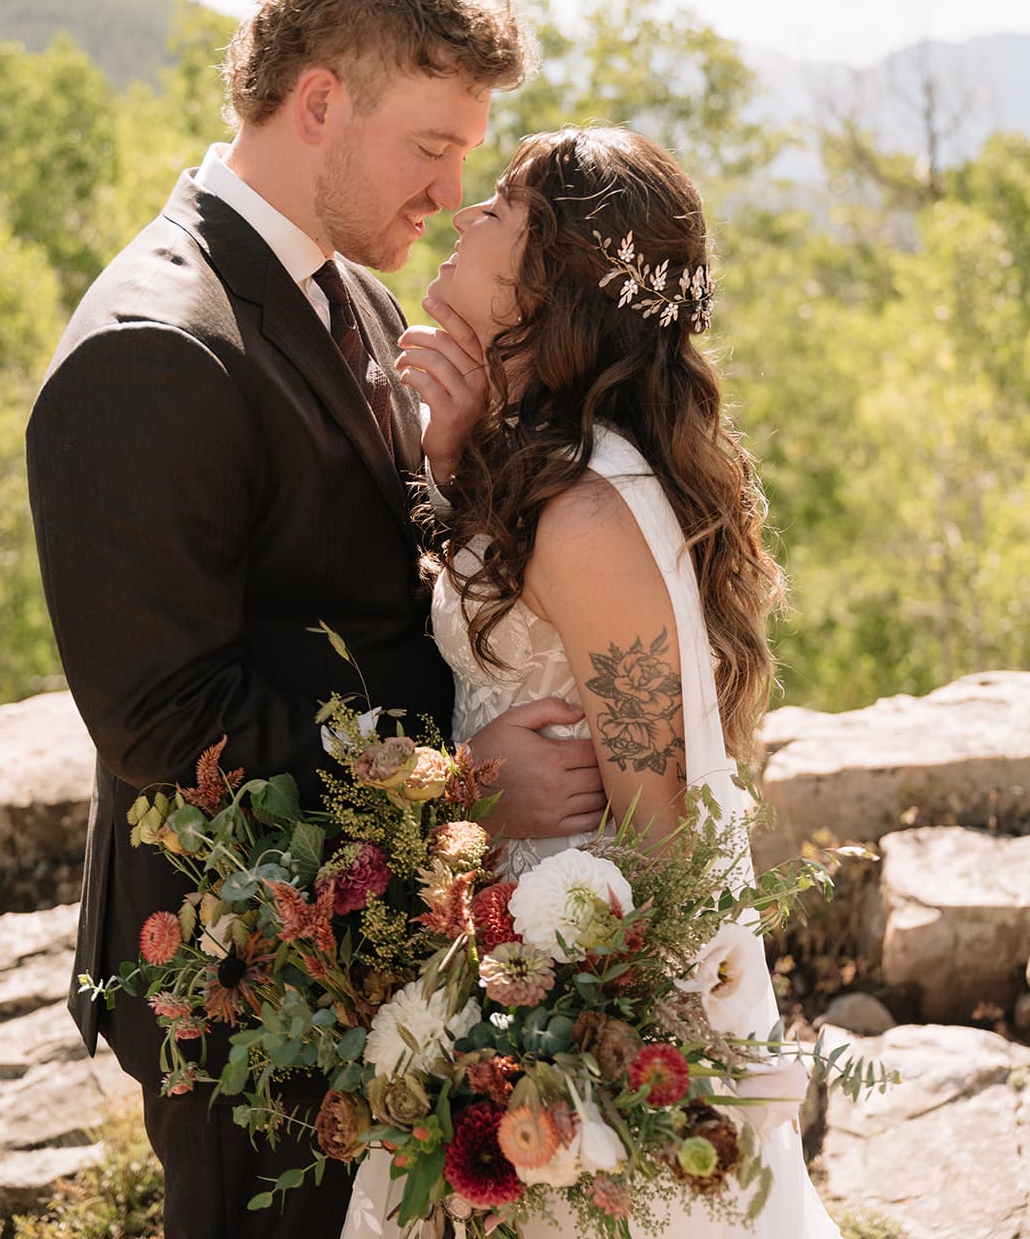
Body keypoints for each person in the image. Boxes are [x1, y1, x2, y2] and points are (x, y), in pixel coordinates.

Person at [25, 0, 607, 1239]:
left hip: (380, 955)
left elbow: (370, 588)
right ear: (320, 102)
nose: (455, 192)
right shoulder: (153, 350)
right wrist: (458, 782)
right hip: (245, 984)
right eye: (430, 147)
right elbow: (167, 718)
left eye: (469, 155)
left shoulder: (355, 292)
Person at [348, 126, 839, 1236]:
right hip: (505, 942)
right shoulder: (533, 462)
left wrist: (585, 1086)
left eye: (503, 209)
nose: (467, 213)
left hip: (567, 1013)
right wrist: (449, 458)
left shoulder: (585, 515)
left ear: (549, 282)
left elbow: (662, 835)